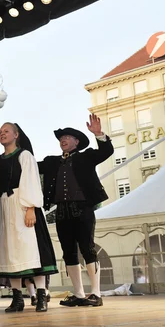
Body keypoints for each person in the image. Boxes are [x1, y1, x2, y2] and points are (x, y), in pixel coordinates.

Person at [37, 115, 114, 307]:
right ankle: (79, 294)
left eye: (67, 137)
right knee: (68, 252)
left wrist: (98, 134)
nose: (63, 140)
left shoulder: (86, 156)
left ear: (76, 142)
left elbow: (106, 151)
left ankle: (95, 293)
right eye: (61, 138)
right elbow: (32, 166)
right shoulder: (52, 161)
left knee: (88, 249)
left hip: (83, 208)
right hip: (62, 211)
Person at [0, 123, 58, 313]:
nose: (2, 134)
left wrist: (31, 207)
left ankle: (41, 295)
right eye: (0, 132)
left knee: (30, 250)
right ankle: (17, 298)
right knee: (9, 252)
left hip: (22, 205)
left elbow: (31, 181)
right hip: (4, 208)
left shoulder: (24, 156)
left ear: (16, 135)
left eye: (6, 131)